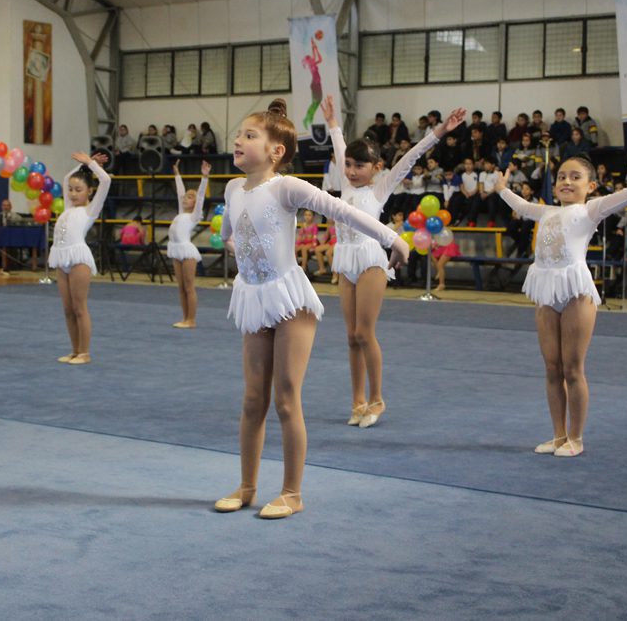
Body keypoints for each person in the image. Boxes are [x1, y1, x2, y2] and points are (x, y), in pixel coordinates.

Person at [213, 98, 409, 519]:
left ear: (275, 151)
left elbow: (341, 210)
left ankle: (291, 492)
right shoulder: (231, 189)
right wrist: (242, 249)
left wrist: (392, 239)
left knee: (286, 398)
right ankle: (247, 486)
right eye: (239, 134)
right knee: (252, 399)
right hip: (253, 296)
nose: (238, 140)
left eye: (250, 135)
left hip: (289, 301)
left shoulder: (287, 187)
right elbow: (230, 233)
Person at [493, 116, 627, 458]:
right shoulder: (546, 212)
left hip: (575, 291)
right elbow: (520, 205)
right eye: (562, 177)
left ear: (591, 186)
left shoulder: (591, 210)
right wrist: (502, 188)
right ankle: (558, 435)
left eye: (575, 177)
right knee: (552, 368)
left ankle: (576, 438)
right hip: (546, 291)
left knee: (572, 368)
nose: (566, 181)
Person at [324, 96, 464, 427]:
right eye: (348, 165)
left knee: (364, 332)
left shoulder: (381, 188)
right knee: (351, 336)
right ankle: (357, 400)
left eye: (360, 166)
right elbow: (339, 143)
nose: (352, 171)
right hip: (346, 259)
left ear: (376, 168)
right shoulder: (345, 181)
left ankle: (377, 399)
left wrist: (440, 131)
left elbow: (411, 155)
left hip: (371, 260)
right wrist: (332, 123)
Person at [48, 151, 111, 364]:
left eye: (79, 190)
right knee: (68, 310)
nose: (73, 194)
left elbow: (106, 180)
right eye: (71, 190)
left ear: (89, 191)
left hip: (78, 259)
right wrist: (82, 165)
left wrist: (91, 163)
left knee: (79, 308)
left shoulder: (91, 210)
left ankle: (85, 352)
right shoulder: (68, 207)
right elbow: (67, 177)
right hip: (61, 257)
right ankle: (74, 350)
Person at [167, 160, 210, 328]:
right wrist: (177, 174)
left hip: (187, 251)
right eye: (185, 197)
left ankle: (191, 320)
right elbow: (180, 192)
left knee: (189, 286)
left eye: (190, 197)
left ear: (195, 203)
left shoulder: (194, 216)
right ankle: (185, 318)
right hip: (175, 250)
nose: (185, 199)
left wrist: (204, 177)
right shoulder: (180, 212)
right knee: (181, 287)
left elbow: (201, 197)